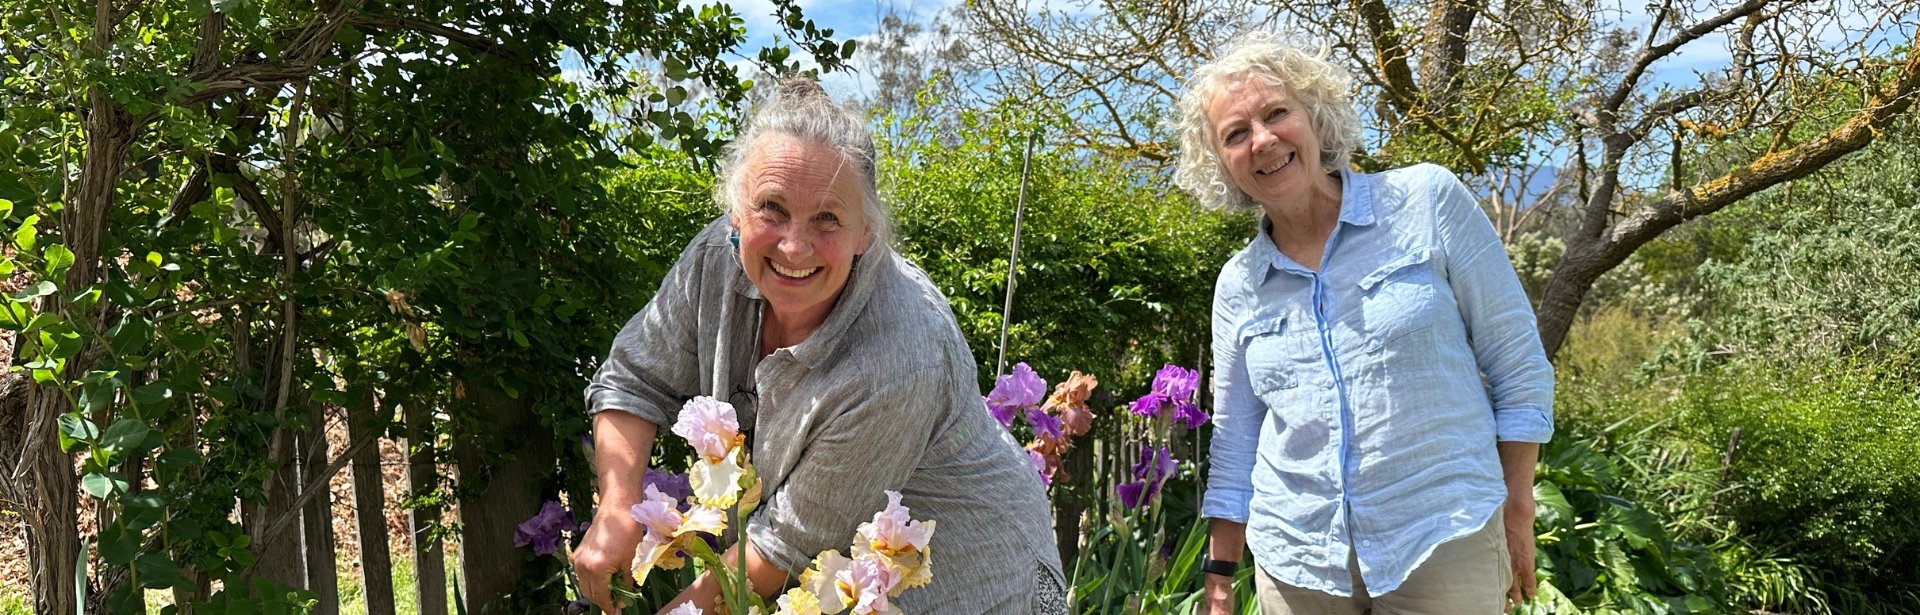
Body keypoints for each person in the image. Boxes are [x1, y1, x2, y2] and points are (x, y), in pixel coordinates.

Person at [570, 78, 1065, 614]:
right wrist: (617, 508)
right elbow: (635, 378)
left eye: (827, 218)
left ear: (865, 234)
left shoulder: (896, 361)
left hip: (974, 579)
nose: (793, 246)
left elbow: (782, 548)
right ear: (735, 213)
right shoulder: (716, 258)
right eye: (771, 209)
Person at [1172, 34, 1555, 615]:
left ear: (1316, 118)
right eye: (1236, 133)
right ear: (1221, 163)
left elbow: (1517, 360)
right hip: (1298, 560)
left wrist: (1517, 505)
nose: (1263, 140)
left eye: (1277, 113)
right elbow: (1235, 438)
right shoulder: (1238, 284)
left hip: (1441, 535)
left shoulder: (1426, 201)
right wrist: (1221, 576)